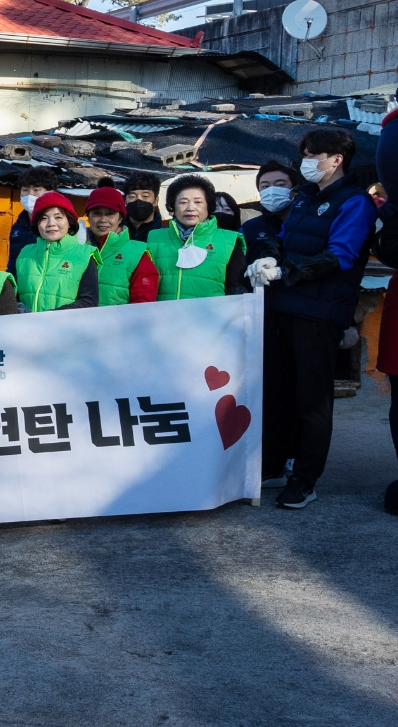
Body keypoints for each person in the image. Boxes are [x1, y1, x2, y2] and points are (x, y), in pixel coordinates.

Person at [245, 129, 374, 511]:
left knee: (312, 400)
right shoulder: (303, 199)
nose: (307, 161)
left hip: (319, 312)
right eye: (305, 153)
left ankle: (306, 478)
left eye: (314, 155)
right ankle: (273, 467)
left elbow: (342, 256)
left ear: (336, 160)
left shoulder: (355, 202)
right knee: (279, 393)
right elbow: (282, 237)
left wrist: (289, 273)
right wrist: (268, 255)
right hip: (285, 308)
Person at [144, 175, 248, 300]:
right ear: (173, 206)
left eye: (198, 202)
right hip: (162, 317)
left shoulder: (229, 240)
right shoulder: (153, 237)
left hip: (210, 318)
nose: (190, 208)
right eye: (183, 202)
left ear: (208, 206)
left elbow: (236, 291)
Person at [13, 191, 100, 311]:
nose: (51, 224)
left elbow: (89, 301)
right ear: (37, 225)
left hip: (65, 328)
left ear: (69, 222)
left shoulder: (85, 255)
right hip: (28, 328)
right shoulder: (25, 253)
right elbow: (14, 297)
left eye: (58, 217)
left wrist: (48, 317)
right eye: (44, 218)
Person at [84, 187, 158, 306]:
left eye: (110, 214)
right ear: (88, 216)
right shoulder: (77, 248)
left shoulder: (137, 254)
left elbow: (143, 305)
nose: (103, 220)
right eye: (97, 214)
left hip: (117, 324)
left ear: (120, 218)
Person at [5, 167, 60, 270]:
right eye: (25, 190)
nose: (30, 195)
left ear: (50, 193)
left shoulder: (57, 227)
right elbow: (12, 262)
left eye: (36, 190)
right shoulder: (17, 227)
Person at [121, 171, 163, 242]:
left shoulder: (164, 235)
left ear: (156, 201)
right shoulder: (115, 233)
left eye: (145, 196)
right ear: (125, 200)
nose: (138, 199)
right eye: (132, 196)